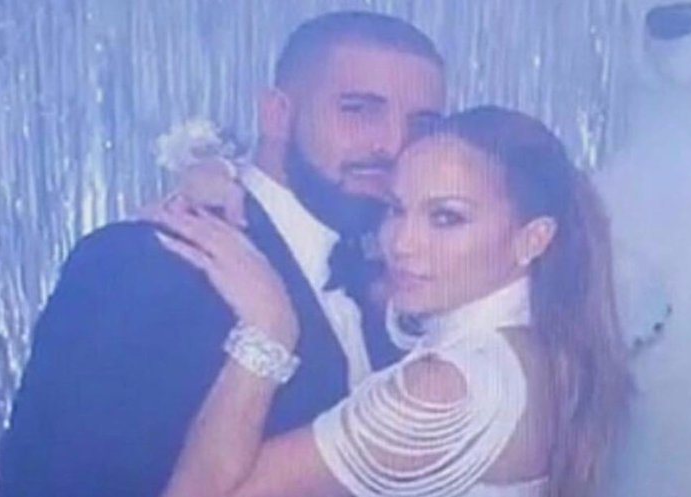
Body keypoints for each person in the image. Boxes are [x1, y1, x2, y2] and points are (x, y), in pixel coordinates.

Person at [0, 11, 445, 497]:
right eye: (358, 110)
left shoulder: (395, 282)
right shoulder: (149, 261)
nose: (393, 145)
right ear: (277, 114)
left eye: (420, 125)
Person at [151, 106, 631, 497]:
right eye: (396, 209)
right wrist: (227, 175)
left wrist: (269, 328)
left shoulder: (446, 389)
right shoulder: (537, 342)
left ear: (533, 239)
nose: (401, 243)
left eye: (446, 218)